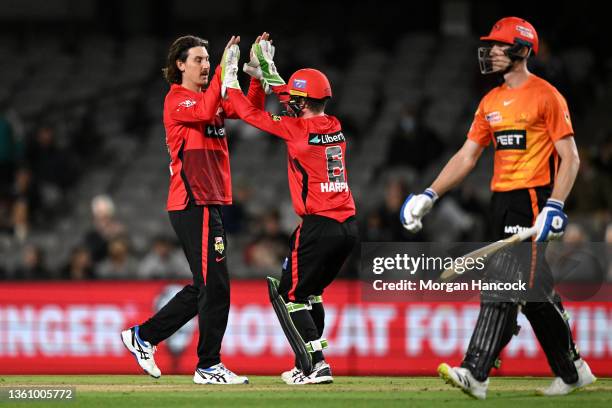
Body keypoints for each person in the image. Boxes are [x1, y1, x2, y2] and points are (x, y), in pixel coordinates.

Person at [400, 17, 595, 399]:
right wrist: (429, 194)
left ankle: (476, 372)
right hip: (501, 204)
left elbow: (570, 158)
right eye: (488, 45)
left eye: (498, 45)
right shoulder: (490, 101)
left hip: (533, 201)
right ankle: (573, 372)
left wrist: (554, 205)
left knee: (503, 284)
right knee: (536, 294)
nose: (489, 51)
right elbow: (467, 155)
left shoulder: (546, 96)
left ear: (521, 50)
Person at [121, 33, 268, 385]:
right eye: (199, 60)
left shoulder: (210, 98)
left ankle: (143, 337)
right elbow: (204, 111)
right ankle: (208, 364)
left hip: (209, 200)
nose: (205, 65)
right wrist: (222, 72)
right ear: (180, 65)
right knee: (215, 287)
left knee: (208, 286)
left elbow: (251, 111)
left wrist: (258, 75)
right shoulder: (177, 100)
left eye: (208, 59)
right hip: (192, 200)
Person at [223, 39, 358, 384]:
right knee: (311, 293)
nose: (290, 104)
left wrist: (232, 77)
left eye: (295, 100)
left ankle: (315, 364)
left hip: (318, 225)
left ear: (302, 102)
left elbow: (247, 113)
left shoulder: (294, 129)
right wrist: (267, 74)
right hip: (347, 227)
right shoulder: (336, 126)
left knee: (288, 295)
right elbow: (295, 99)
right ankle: (308, 364)